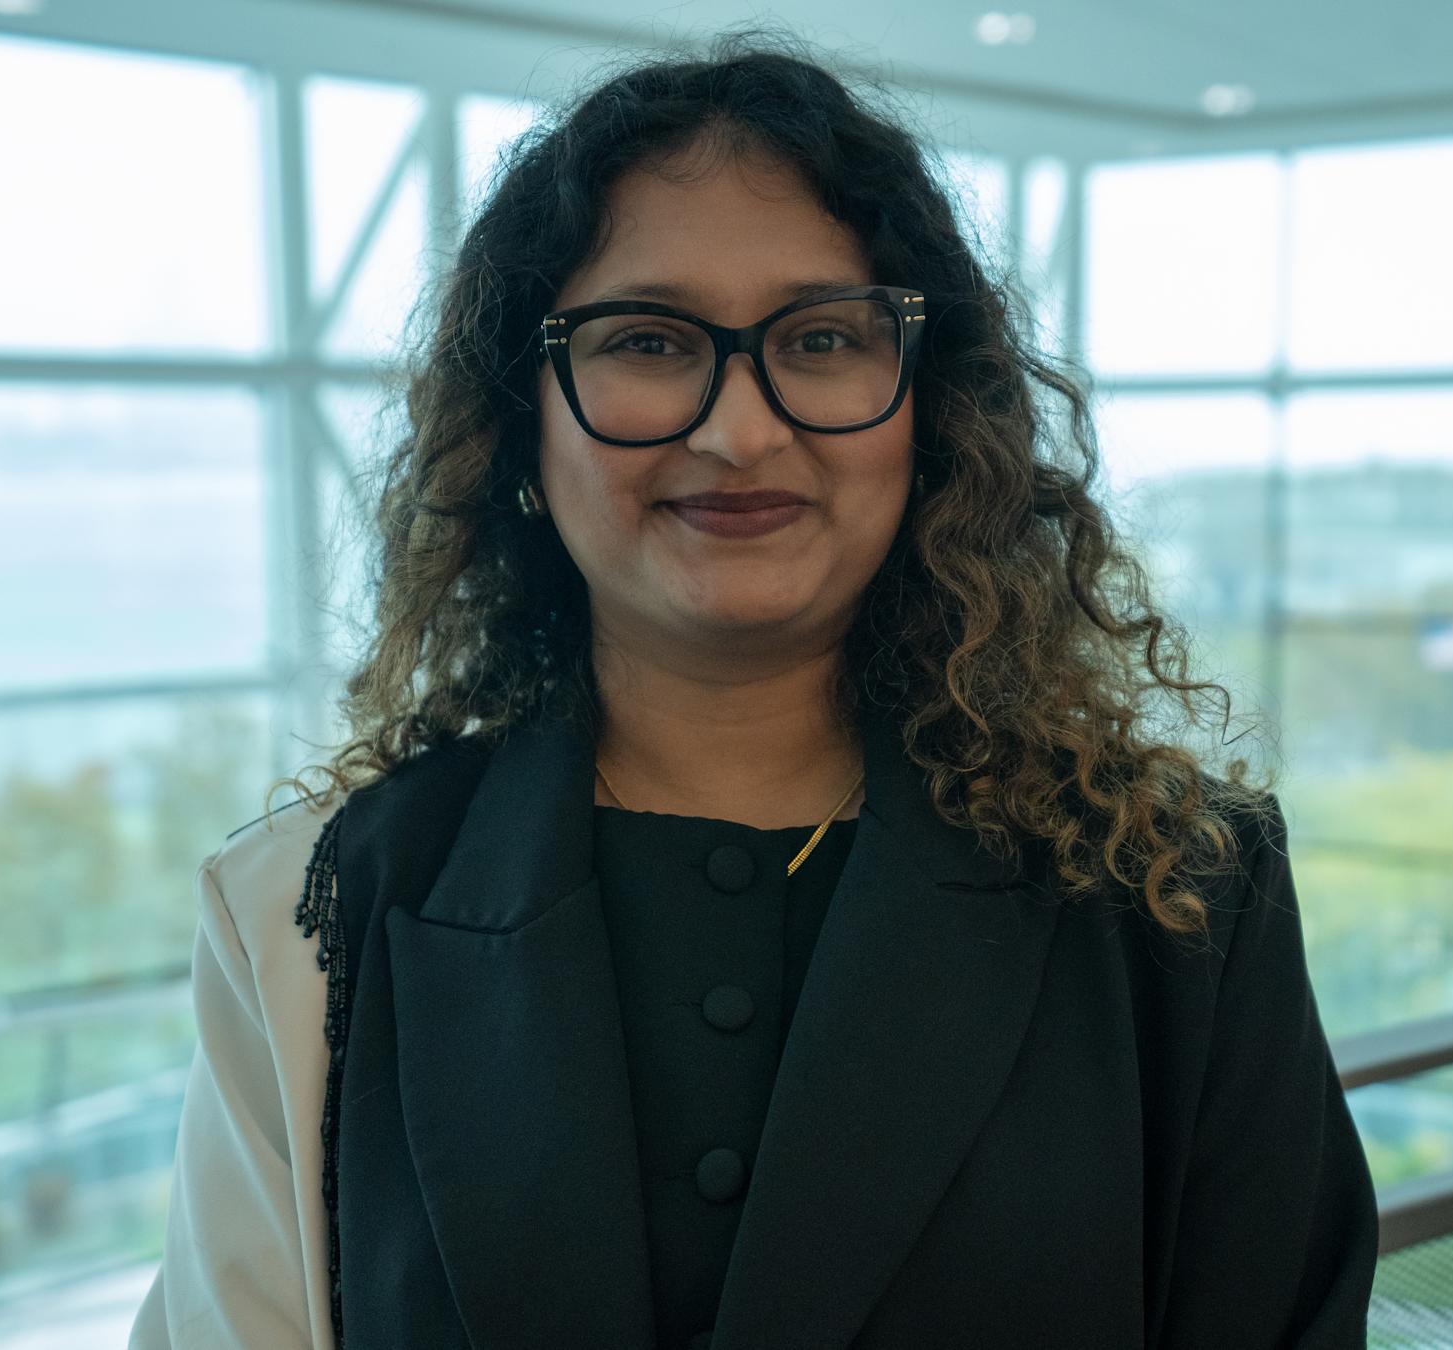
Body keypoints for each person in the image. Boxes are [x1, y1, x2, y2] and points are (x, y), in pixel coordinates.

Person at [131, 27, 1379, 1350]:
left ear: (931, 410)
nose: (738, 429)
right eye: (651, 340)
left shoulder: (1181, 893)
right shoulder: (309, 913)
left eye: (824, 338)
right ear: (519, 420)